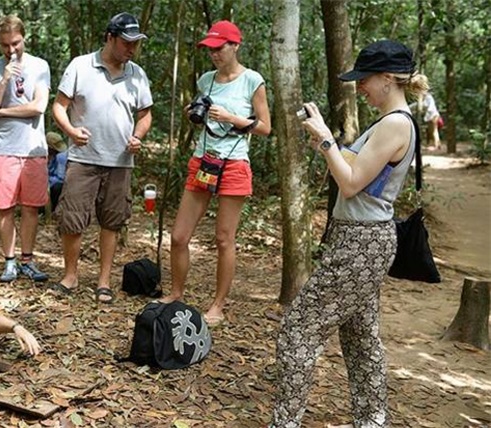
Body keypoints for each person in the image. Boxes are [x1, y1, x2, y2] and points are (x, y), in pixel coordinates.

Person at [269, 40, 427, 427]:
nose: (360, 87)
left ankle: (285, 422)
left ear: (387, 78)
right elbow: (353, 171)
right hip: (362, 239)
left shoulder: (394, 124)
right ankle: (372, 419)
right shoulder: (390, 122)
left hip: (361, 242)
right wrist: (327, 146)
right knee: (360, 337)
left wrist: (327, 139)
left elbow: (352, 184)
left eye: (364, 79)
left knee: (298, 329)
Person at [159, 21, 271, 325]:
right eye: (209, 49)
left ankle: (218, 305)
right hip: (203, 161)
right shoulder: (206, 80)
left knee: (223, 239)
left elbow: (265, 127)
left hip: (234, 163)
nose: (214, 54)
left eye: (219, 48)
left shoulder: (252, 80)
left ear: (235, 46)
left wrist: (232, 118)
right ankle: (176, 293)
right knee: (179, 236)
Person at [51, 12, 153, 304]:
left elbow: (145, 114)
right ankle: (70, 276)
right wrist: (71, 130)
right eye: (126, 42)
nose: (131, 48)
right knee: (72, 218)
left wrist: (138, 136)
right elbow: (59, 106)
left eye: (135, 43)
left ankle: (104, 281)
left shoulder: (137, 74)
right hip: (83, 158)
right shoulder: (81, 66)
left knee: (112, 221)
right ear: (110, 38)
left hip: (120, 161)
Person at [0, 15, 51, 283]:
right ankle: (9, 262)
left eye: (16, 43)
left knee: (31, 208)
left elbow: (38, 106)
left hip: (33, 149)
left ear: (24, 38)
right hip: (3, 148)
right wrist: (4, 81)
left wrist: (3, 111)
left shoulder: (39, 66)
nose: (11, 50)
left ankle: (28, 260)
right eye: (5, 45)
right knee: (5, 208)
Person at [46, 131, 68, 212]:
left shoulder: (61, 157)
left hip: (60, 185)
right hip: (50, 181)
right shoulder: (50, 156)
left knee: (57, 187)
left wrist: (47, 180)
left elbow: (60, 178)